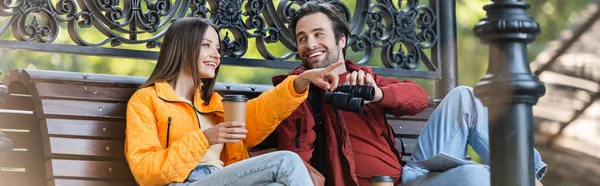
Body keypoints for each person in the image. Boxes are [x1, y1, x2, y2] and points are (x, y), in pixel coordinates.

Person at [272, 1, 548, 186]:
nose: (310, 44)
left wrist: (377, 94)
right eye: (302, 38)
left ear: (341, 40)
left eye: (319, 34)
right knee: (474, 176)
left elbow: (417, 98)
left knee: (464, 96)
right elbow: (295, 155)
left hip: (409, 175)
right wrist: (305, 86)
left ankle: (531, 176)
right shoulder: (295, 90)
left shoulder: (368, 77)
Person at [124, 17, 344, 186]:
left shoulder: (211, 103)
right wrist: (204, 139)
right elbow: (146, 170)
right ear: (182, 47)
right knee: (287, 161)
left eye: (218, 48)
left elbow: (255, 118)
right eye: (206, 45)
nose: (216, 55)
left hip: (223, 178)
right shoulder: (146, 100)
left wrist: (300, 81)